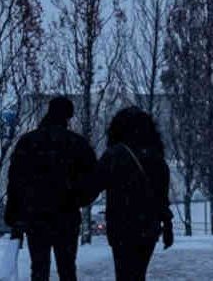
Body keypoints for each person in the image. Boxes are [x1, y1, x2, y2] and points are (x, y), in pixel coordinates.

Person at [4, 96, 97, 281]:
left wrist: (14, 214)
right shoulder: (77, 144)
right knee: (67, 268)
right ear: (68, 116)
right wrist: (77, 200)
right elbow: (93, 180)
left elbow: (15, 180)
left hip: (36, 216)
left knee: (39, 268)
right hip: (67, 216)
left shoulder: (28, 142)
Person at [82, 106, 173, 281]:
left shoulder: (114, 155)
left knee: (124, 274)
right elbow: (162, 197)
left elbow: (92, 187)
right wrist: (167, 226)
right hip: (149, 227)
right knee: (139, 273)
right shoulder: (156, 158)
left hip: (121, 227)